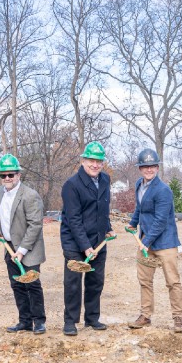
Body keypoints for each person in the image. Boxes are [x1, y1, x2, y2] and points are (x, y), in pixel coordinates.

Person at [126, 148, 182, 332]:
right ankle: (145, 315)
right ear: (140, 168)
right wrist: (133, 223)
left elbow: (160, 221)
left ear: (157, 167)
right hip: (146, 241)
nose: (149, 170)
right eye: (145, 166)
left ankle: (178, 318)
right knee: (144, 280)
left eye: (152, 166)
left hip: (165, 243)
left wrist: (146, 241)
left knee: (172, 281)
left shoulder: (163, 190)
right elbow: (140, 208)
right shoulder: (139, 185)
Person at [60, 141, 115, 336]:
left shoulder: (105, 180)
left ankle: (92, 318)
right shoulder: (71, 185)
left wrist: (107, 228)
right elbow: (73, 219)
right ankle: (70, 321)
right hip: (75, 242)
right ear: (83, 161)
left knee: (96, 280)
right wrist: (85, 246)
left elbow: (103, 208)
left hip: (98, 240)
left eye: (99, 161)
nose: (95, 165)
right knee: (73, 282)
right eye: (91, 160)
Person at [0, 155, 47, 335]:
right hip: (9, 246)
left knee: (32, 285)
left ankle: (39, 322)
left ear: (18, 175)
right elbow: (0, 214)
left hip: (28, 248)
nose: (7, 178)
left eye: (11, 175)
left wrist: (21, 251)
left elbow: (35, 225)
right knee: (17, 285)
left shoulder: (30, 196)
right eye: (3, 175)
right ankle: (24, 321)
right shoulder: (0, 192)